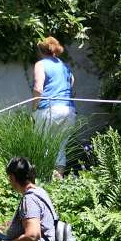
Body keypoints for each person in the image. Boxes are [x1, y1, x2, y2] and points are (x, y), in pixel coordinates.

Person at [31, 37, 74, 171]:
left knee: (43, 147)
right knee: (60, 148)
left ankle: (46, 183)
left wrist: (33, 108)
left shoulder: (40, 64)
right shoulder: (64, 65)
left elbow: (38, 88)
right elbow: (72, 81)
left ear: (41, 51)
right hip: (68, 110)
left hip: (48, 110)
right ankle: (58, 185)